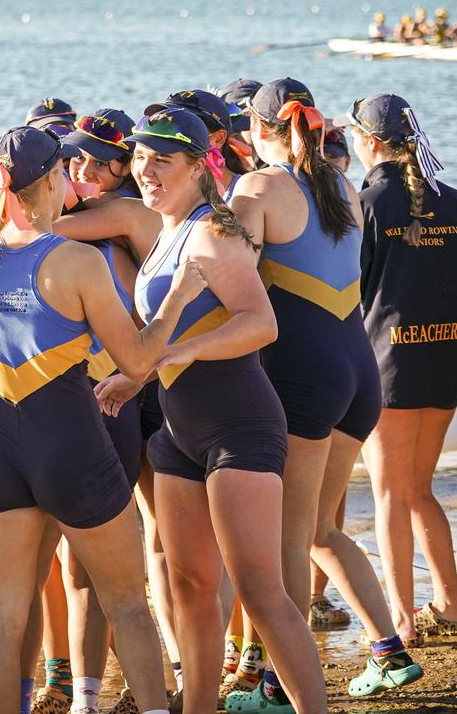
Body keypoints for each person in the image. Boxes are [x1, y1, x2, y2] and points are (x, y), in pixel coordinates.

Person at [0, 125, 199, 714]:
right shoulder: (78, 261)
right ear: (55, 181)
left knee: (4, 618)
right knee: (126, 602)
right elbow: (137, 359)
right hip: (69, 444)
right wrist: (179, 298)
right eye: (65, 172)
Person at [95, 107, 326, 714]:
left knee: (260, 589)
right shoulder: (165, 230)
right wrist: (133, 373)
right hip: (177, 432)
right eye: (140, 158)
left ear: (199, 167)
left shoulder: (211, 231)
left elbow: (261, 323)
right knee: (190, 586)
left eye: (161, 160)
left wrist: (179, 351)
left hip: (239, 425)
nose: (145, 171)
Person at [227, 78, 380, 711]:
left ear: (258, 132)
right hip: (359, 371)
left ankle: (276, 685)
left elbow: (223, 275)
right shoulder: (343, 183)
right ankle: (390, 647)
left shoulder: (258, 187)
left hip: (307, 378)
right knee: (318, 528)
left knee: (289, 540)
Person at [337, 94, 457, 645]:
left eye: (353, 134)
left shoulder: (366, 204)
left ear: (370, 142)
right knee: (419, 489)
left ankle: (401, 622)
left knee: (391, 496)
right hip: (446, 360)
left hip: (388, 365)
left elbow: (347, 291)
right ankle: (448, 607)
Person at [145, 90, 245, 201]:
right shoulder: (155, 190)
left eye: (185, 125)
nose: (169, 134)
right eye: (165, 123)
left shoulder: (247, 193)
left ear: (218, 139)